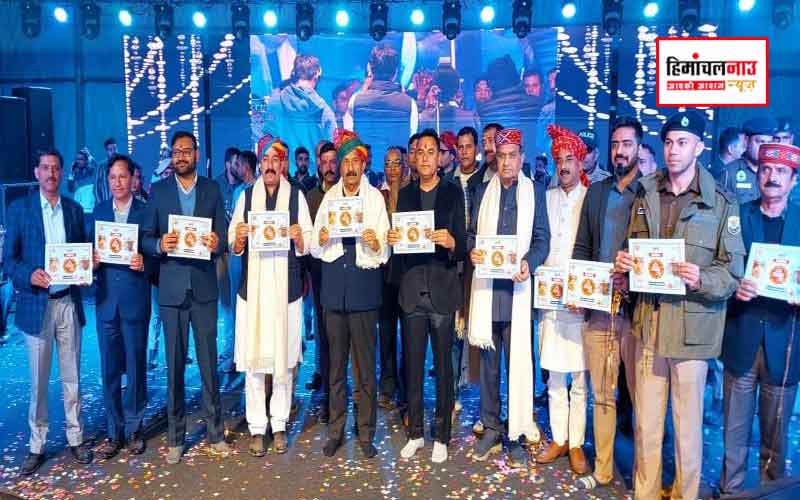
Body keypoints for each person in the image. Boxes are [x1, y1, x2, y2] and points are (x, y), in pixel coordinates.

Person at [615, 110, 744, 500]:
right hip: (649, 324)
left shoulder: (721, 202)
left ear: (699, 147)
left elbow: (732, 272)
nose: (673, 150)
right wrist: (625, 266)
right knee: (646, 426)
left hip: (692, 331)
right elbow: (634, 248)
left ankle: (685, 495)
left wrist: (701, 278)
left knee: (688, 431)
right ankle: (646, 493)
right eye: (669, 142)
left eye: (683, 143)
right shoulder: (646, 193)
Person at [141, 131, 230, 464]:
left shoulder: (212, 189)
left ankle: (216, 433)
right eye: (176, 151)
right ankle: (176, 438)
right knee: (175, 367)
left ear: (196, 154)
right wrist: (158, 244)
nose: (180, 156)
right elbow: (144, 237)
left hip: (204, 288)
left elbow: (223, 234)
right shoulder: (160, 191)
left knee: (209, 366)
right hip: (172, 290)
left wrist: (217, 242)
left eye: (186, 151)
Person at [4, 149, 93, 475]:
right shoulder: (20, 209)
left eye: (56, 168)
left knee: (72, 377)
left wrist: (86, 266)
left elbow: (82, 251)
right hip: (36, 304)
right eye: (45, 168)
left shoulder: (73, 209)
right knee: (38, 382)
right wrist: (29, 275)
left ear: (62, 172)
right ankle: (37, 444)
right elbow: (8, 260)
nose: (51, 173)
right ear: (37, 172)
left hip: (68, 302)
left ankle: (76, 437)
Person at [719, 142, 800, 495]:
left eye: (781, 171)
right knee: (733, 430)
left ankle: (771, 492)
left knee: (775, 434)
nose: (772, 177)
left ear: (793, 180)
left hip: (786, 339)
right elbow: (721, 267)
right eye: (766, 169)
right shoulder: (737, 217)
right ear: (757, 175)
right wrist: (734, 286)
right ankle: (731, 490)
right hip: (742, 333)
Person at [467, 128, 549, 467]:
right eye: (501, 156)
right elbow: (471, 234)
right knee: (489, 368)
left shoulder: (536, 192)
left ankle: (515, 432)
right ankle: (490, 427)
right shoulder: (482, 191)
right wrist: (472, 250)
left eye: (512, 156)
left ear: (521, 157)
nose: (506, 162)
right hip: (489, 293)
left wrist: (530, 262)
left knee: (518, 366)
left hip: (518, 291)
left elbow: (542, 239)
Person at [229, 136, 313, 456]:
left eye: (276, 160)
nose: (270, 165)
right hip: (253, 290)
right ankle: (256, 427)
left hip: (285, 290)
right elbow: (233, 242)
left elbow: (309, 243)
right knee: (254, 361)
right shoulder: (246, 197)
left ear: (283, 165)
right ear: (260, 164)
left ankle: (278, 424)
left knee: (284, 361)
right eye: (265, 159)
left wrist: (299, 237)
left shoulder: (296, 197)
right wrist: (239, 237)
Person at [571, 116, 642, 491]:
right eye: (615, 144)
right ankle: (603, 469)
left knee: (643, 400)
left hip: (637, 313)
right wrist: (577, 290)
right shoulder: (597, 192)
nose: (619, 151)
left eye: (627, 144)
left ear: (639, 148)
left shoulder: (649, 193)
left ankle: (645, 477)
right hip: (598, 310)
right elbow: (582, 245)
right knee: (602, 395)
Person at [388, 129, 466, 464]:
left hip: (442, 290)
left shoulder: (452, 192)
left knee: (444, 370)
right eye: (419, 151)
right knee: (413, 367)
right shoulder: (405, 194)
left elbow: (462, 242)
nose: (424, 157)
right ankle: (416, 433)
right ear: (413, 157)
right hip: (412, 291)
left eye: (431, 152)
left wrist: (451, 242)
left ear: (440, 158)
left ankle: (442, 435)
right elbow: (401, 241)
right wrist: (393, 239)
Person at [311, 131, 389, 459]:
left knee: (365, 369)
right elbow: (314, 244)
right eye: (345, 162)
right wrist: (321, 237)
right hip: (334, 293)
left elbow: (385, 249)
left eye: (355, 161)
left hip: (363, 292)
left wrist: (375, 242)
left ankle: (366, 432)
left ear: (364, 164)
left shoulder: (375, 199)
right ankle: (336, 431)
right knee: (335, 369)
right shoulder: (330, 198)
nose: (350, 168)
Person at [535, 125, 589, 475]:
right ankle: (558, 438)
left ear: (580, 162)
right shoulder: (547, 197)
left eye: (570, 159)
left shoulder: (591, 197)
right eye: (559, 160)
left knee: (580, 378)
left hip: (580, 301)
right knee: (554, 375)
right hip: (550, 299)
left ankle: (577, 443)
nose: (564, 165)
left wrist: (585, 292)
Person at [91, 154, 151, 460]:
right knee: (110, 369)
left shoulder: (146, 211)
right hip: (106, 302)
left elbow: (157, 253)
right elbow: (87, 251)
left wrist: (145, 261)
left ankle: (134, 428)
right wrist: (91, 260)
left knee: (136, 367)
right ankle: (114, 432)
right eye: (112, 177)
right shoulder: (99, 211)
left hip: (134, 300)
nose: (117, 182)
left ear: (133, 179)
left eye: (122, 176)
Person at [305, 141, 339, 420]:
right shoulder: (311, 197)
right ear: (318, 164)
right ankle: (328, 399)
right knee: (325, 339)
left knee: (346, 342)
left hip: (345, 275)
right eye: (324, 162)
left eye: (332, 162)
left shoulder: (347, 194)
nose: (329, 167)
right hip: (319, 277)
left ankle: (347, 398)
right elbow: (307, 242)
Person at [345, 44, 419, 166]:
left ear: (370, 69)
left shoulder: (355, 100)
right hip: (397, 172)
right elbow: (412, 144)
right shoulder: (410, 104)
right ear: (395, 72)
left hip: (365, 172)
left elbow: (348, 142)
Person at [377, 146, 408, 410]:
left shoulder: (412, 193)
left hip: (408, 273)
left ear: (404, 165)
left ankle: (407, 388)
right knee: (386, 332)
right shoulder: (377, 195)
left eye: (397, 163)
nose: (392, 168)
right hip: (384, 272)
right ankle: (387, 385)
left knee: (409, 333)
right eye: (388, 163)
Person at [267, 54, 336, 171]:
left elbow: (266, 144)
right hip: (313, 179)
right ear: (317, 74)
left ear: (295, 73)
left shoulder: (274, 103)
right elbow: (331, 155)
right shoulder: (325, 111)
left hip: (282, 177)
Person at [477, 55, 542, 158]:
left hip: (497, 163)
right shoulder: (534, 105)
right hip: (527, 161)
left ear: (492, 82)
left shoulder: (484, 110)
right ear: (515, 78)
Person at [214, 147, 242, 373]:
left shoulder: (244, 188)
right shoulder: (216, 186)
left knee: (238, 305)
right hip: (222, 253)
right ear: (227, 164)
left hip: (240, 252)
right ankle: (227, 353)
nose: (239, 167)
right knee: (225, 306)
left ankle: (237, 353)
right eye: (235, 163)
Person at [720, 117, 778, 204]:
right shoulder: (728, 173)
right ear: (746, 141)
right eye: (760, 142)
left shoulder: (777, 174)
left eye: (769, 143)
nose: (765, 148)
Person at [419, 66, 479, 134]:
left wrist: (423, 100)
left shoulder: (426, 117)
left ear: (435, 89)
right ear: (457, 88)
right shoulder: (470, 117)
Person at [94, 137, 118, 204]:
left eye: (115, 148)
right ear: (106, 152)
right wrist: (101, 205)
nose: (113, 151)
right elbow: (96, 189)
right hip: (106, 203)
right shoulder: (101, 166)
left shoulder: (123, 164)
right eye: (110, 150)